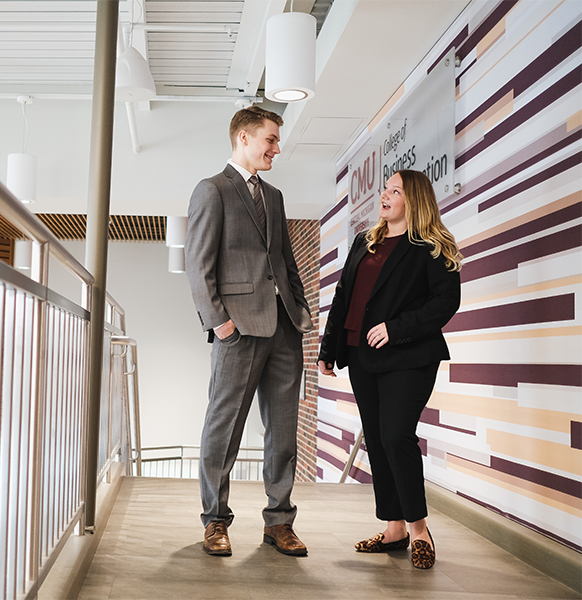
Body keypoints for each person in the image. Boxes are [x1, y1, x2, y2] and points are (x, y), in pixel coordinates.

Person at [317, 169, 462, 569]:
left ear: (412, 200)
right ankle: (393, 527)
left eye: (394, 191)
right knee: (379, 441)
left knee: (397, 435)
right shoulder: (366, 241)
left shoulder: (432, 246)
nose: (384, 195)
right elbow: (344, 296)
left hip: (409, 357)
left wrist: (395, 329)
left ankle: (419, 529)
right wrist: (328, 349)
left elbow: (445, 302)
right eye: (385, 188)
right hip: (362, 356)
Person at [185, 106, 313, 557]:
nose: (277, 148)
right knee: (224, 426)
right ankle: (215, 521)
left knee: (283, 429)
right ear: (244, 137)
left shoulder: (274, 196)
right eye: (271, 140)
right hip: (237, 331)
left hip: (283, 329)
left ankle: (279, 522)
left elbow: (284, 260)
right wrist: (219, 323)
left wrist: (301, 312)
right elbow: (197, 265)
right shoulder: (212, 190)